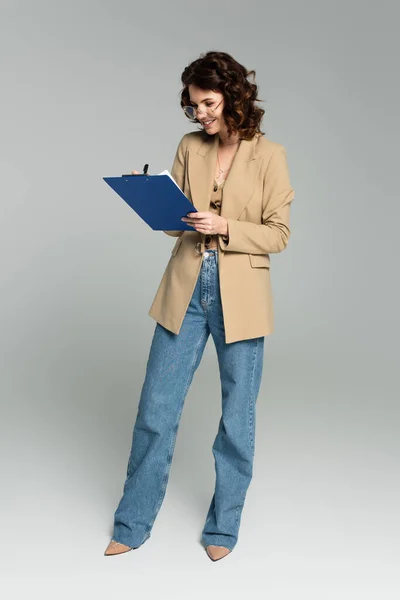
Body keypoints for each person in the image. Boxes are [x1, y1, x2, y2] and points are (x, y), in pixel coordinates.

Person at [104, 50, 295, 562]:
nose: (201, 115)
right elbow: (177, 223)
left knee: (237, 417)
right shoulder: (191, 146)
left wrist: (227, 226)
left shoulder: (269, 155)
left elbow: (279, 235)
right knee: (155, 411)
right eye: (193, 107)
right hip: (185, 289)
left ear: (234, 95)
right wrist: (149, 196)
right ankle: (133, 520)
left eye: (207, 103)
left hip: (241, 295)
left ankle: (222, 528)